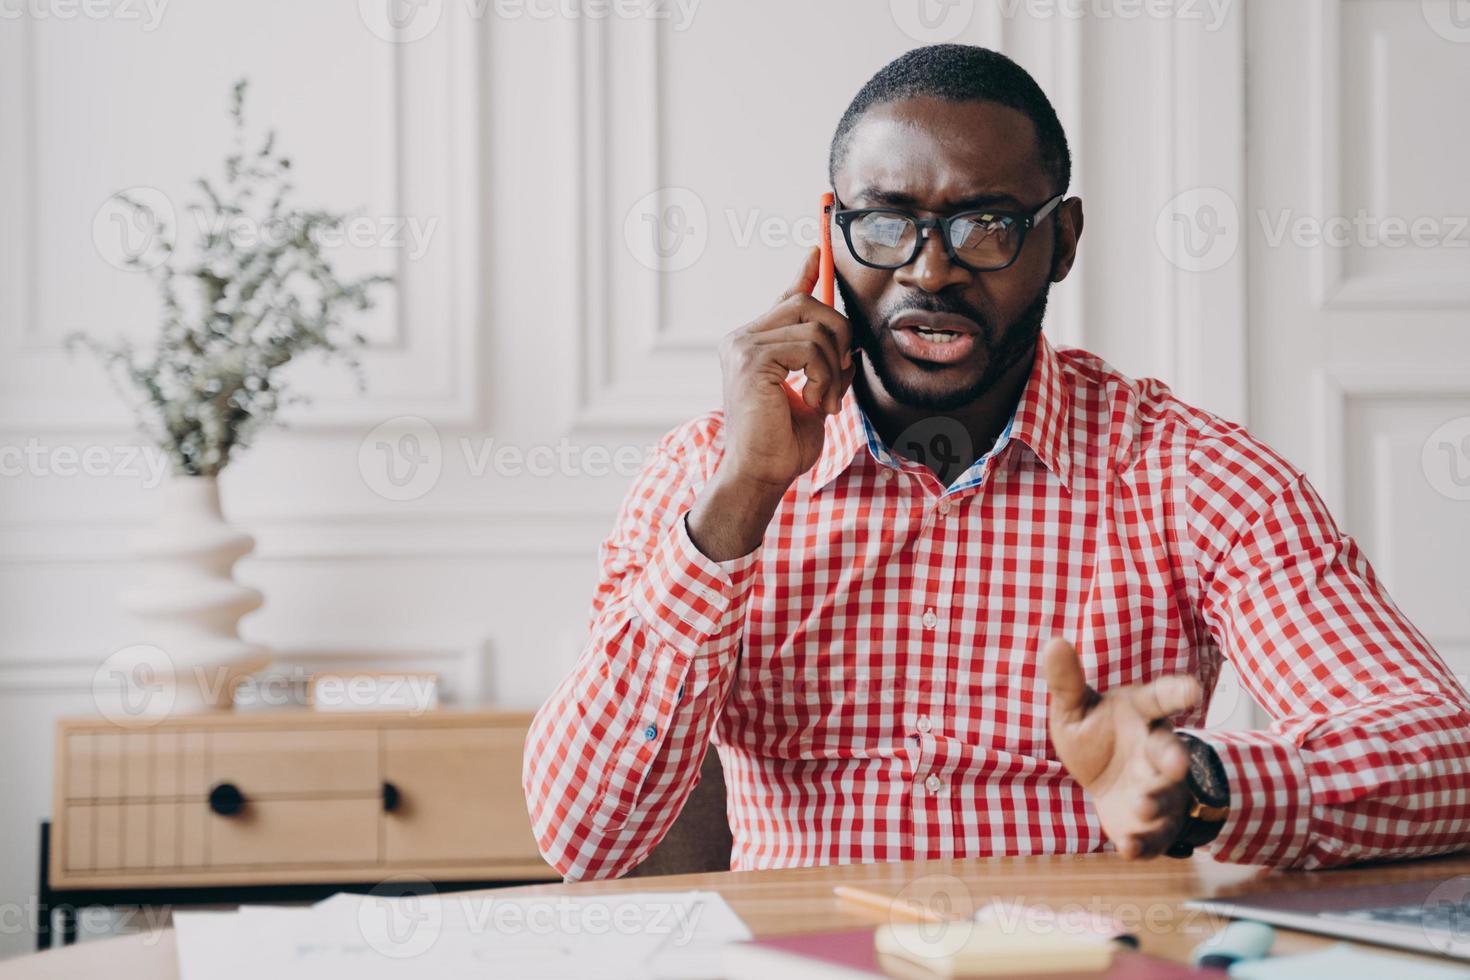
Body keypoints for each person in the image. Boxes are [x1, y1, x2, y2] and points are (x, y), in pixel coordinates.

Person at [523, 44, 1470, 880]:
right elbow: (583, 838)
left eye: (986, 226)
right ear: (830, 232)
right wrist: (740, 500)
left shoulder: (1193, 477)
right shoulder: (705, 475)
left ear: (1061, 240)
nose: (930, 271)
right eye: (886, 224)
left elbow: (1443, 754)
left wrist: (1204, 786)